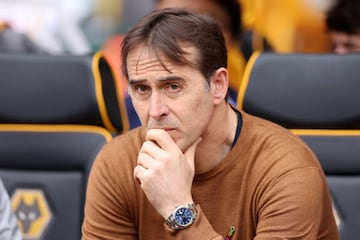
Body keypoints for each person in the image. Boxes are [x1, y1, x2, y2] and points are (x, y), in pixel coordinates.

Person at [82, 8, 339, 240]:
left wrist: (179, 210)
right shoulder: (117, 162)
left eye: (173, 86)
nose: (155, 110)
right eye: (141, 89)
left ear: (218, 85)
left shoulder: (286, 169)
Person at [154, 0, 246, 104]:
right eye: (156, 25)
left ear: (220, 37)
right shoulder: (135, 102)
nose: (160, 37)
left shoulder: (240, 109)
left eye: (180, 26)